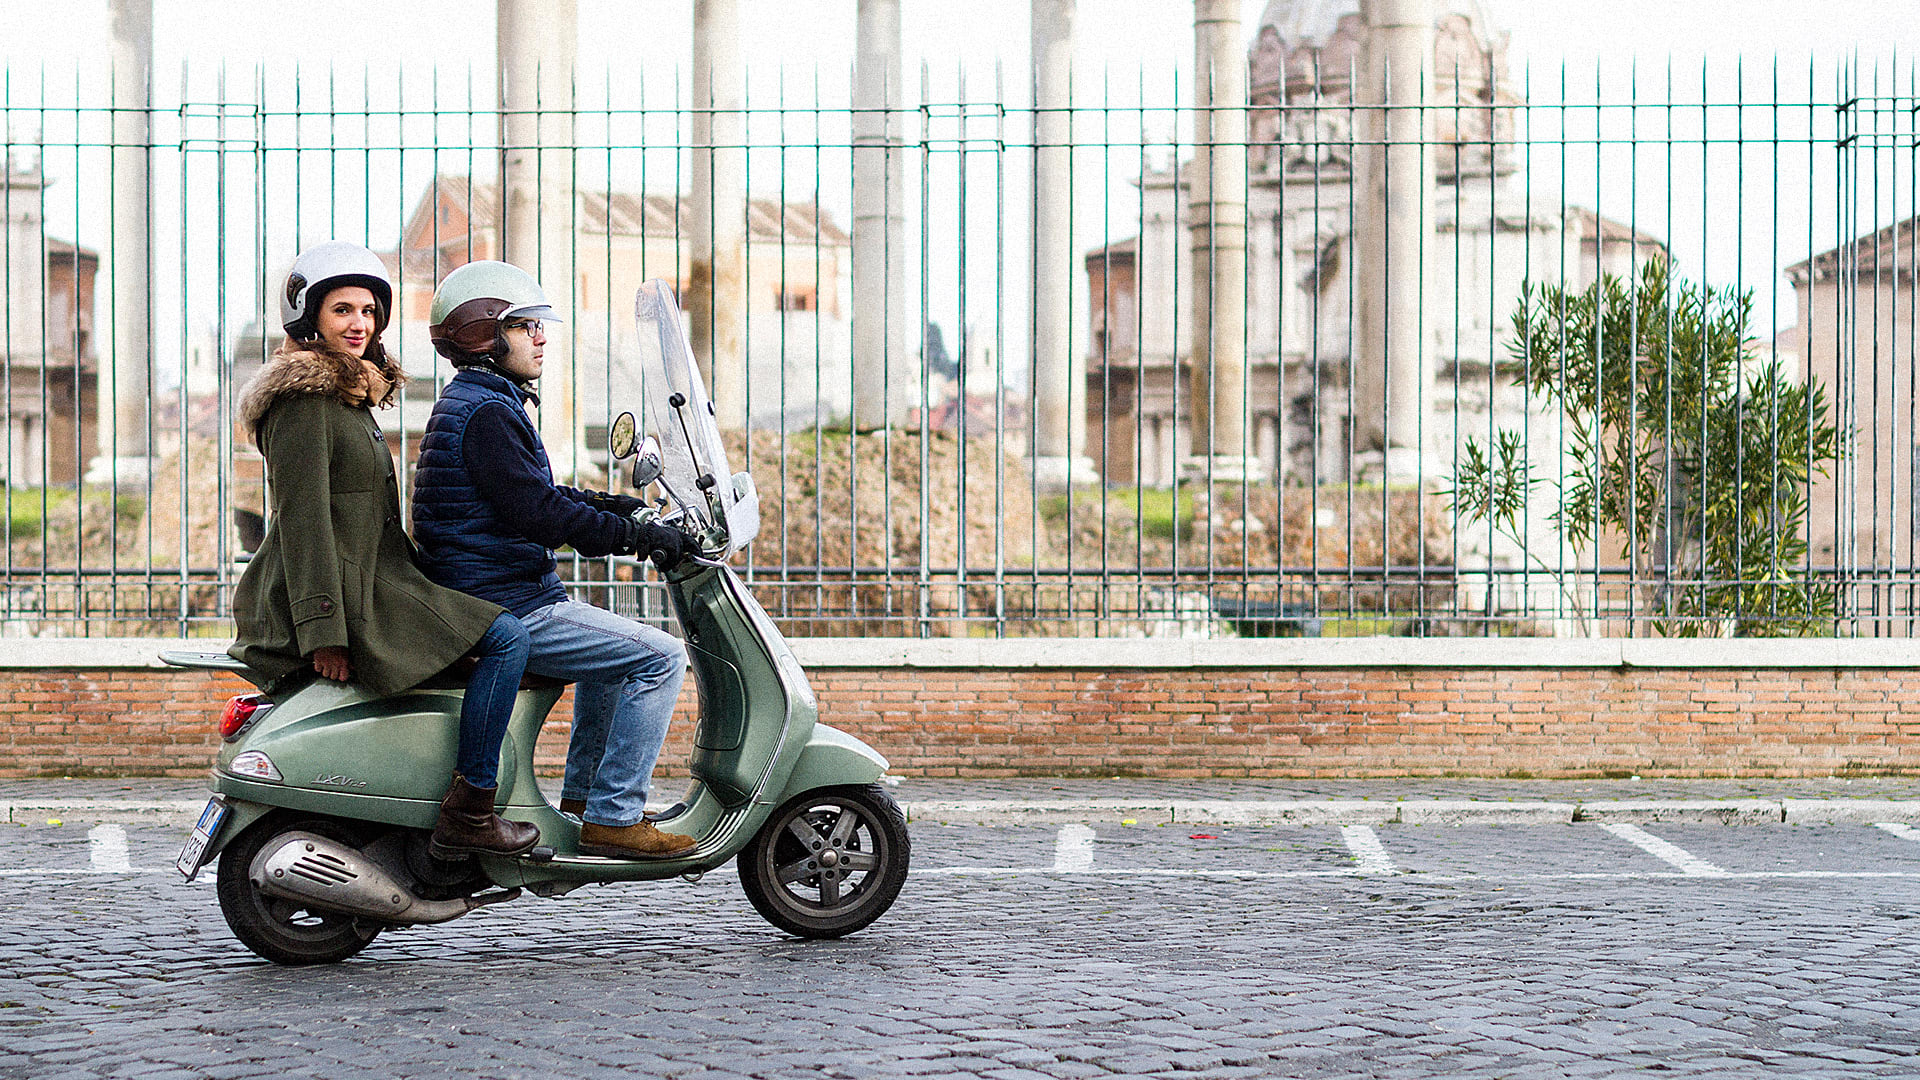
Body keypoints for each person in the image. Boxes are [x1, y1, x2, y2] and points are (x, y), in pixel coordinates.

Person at [229, 241, 540, 860]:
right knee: (507, 639)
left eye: (369, 311)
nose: (359, 324)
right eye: (342, 310)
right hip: (344, 594)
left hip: (375, 579)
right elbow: (303, 521)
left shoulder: (348, 395)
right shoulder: (306, 401)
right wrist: (326, 633)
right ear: (310, 319)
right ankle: (472, 808)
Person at [411, 260, 697, 860]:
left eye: (540, 326)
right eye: (524, 326)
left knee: (619, 654)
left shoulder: (481, 402)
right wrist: (638, 539)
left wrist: (611, 504)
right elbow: (537, 515)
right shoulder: (487, 412)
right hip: (504, 601)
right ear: (483, 336)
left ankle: (585, 799)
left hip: (494, 589)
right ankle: (614, 816)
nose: (541, 337)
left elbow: (532, 494)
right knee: (662, 657)